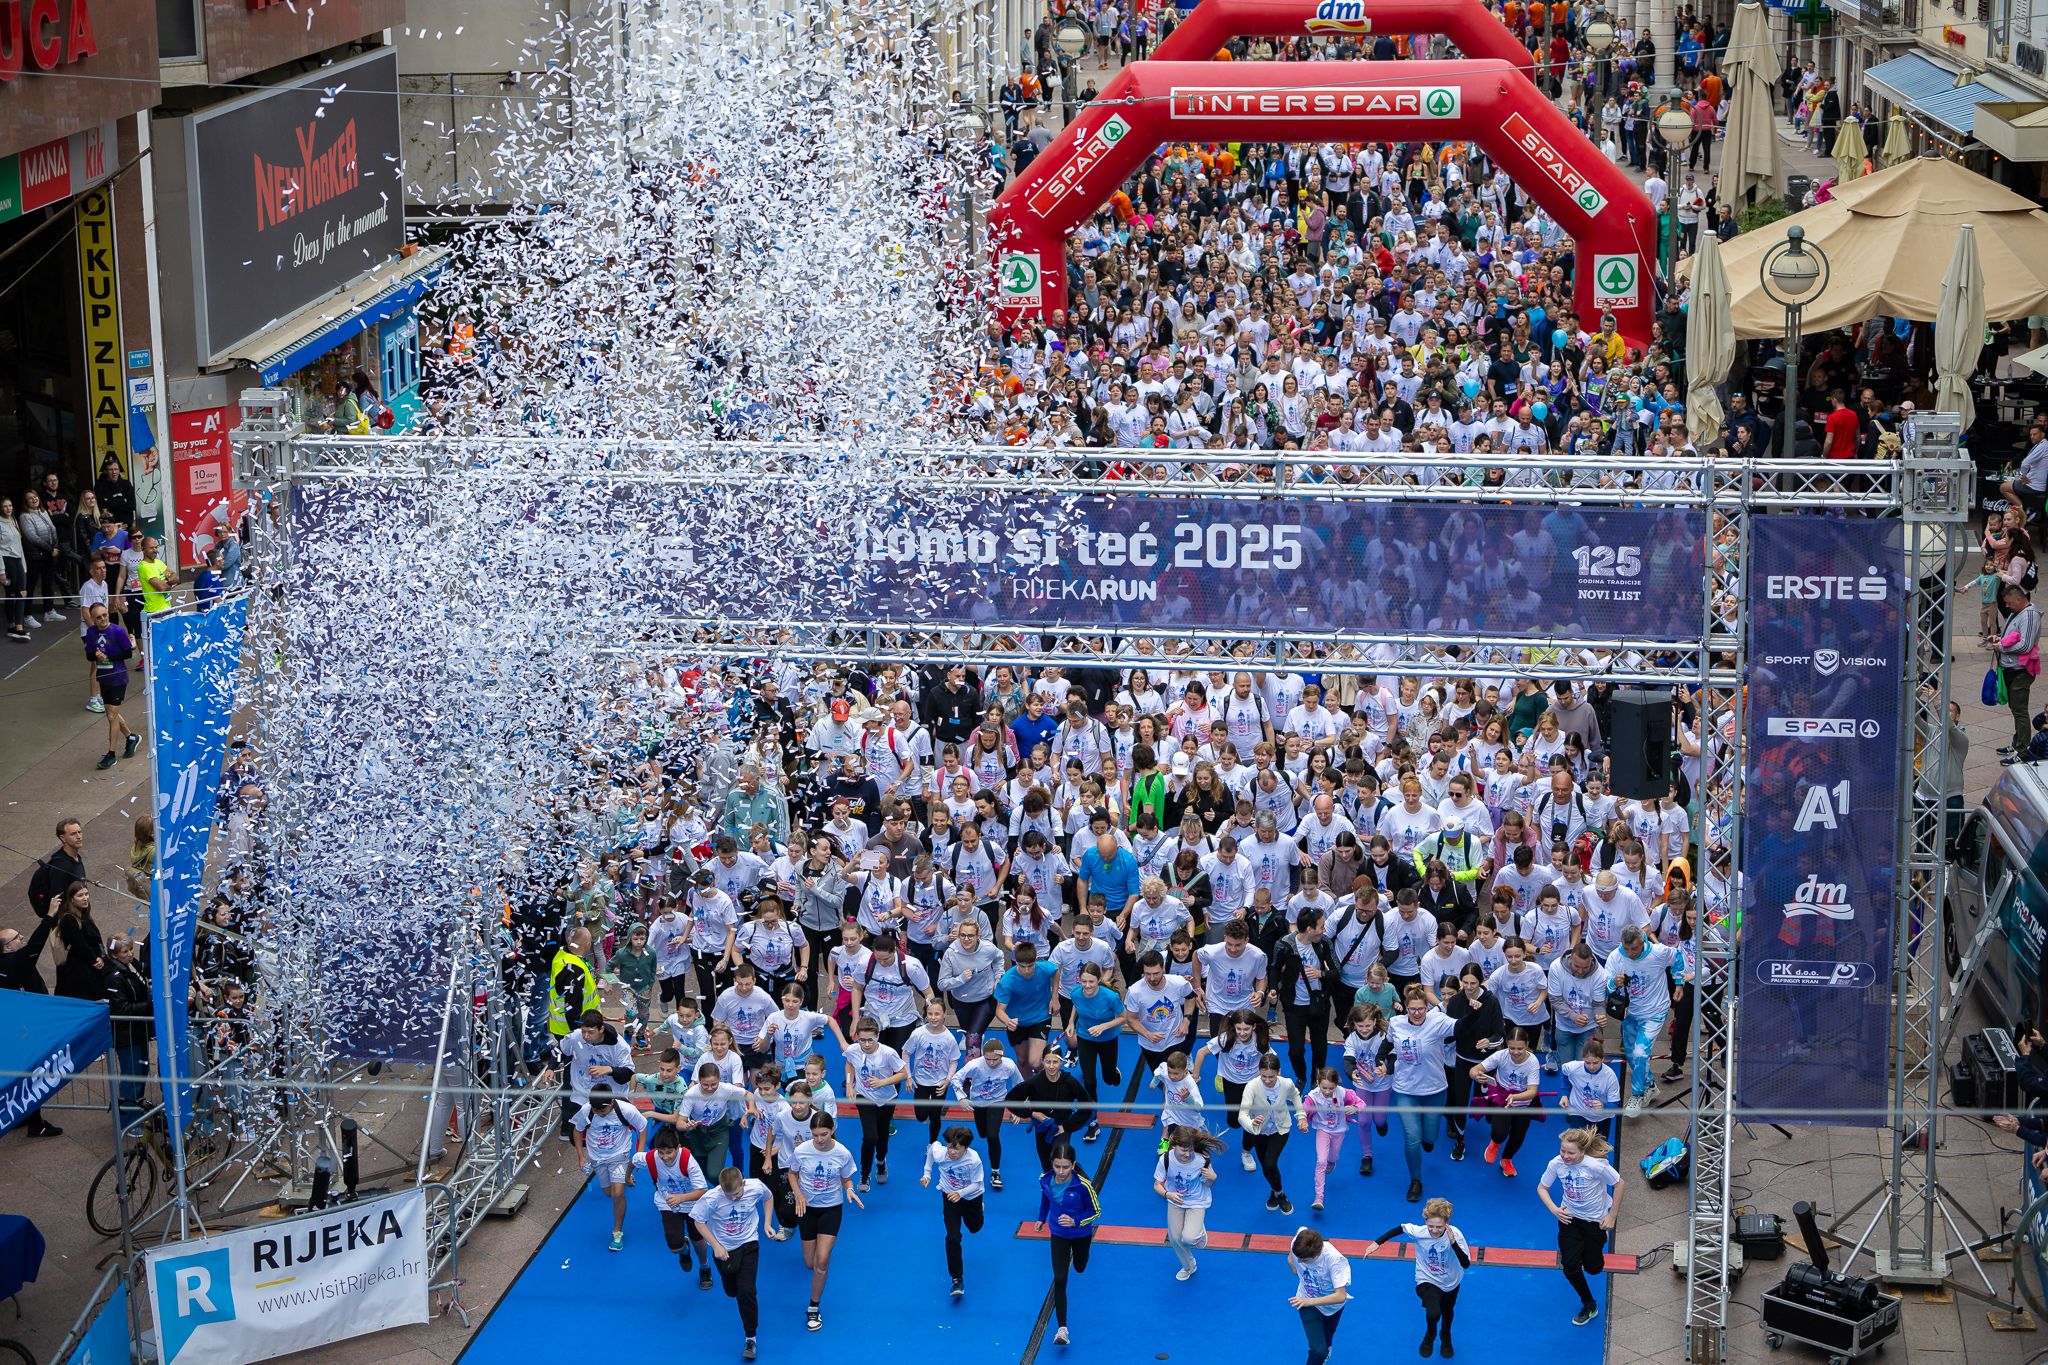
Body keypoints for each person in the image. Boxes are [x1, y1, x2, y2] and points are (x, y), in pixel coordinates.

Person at [1358, 1197, 1474, 1359]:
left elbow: (1466, 1264)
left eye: (1439, 1227)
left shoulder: (1456, 1235)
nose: (1434, 1230)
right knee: (1434, 1313)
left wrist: (1453, 1242)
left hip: (1451, 1281)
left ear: (1447, 1223)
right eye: (1430, 1226)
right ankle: (1430, 1334)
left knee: (1447, 1311)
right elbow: (1401, 1228)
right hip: (1426, 1279)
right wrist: (1377, 1242)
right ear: (1425, 1221)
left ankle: (1446, 1336)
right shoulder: (1420, 1232)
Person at [1538, 1126, 1626, 1326]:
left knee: (1594, 1268)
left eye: (1570, 1153)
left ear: (1582, 1151)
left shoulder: (1595, 1166)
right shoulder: (1556, 1163)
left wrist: (1612, 1216)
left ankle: (1592, 1255)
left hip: (1594, 1222)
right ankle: (1589, 1304)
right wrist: (1554, 1209)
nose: (1565, 1156)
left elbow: (1620, 1184)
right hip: (1569, 1219)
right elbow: (1542, 1188)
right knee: (1570, 1266)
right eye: (1563, 1150)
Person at [689, 1166, 774, 1361]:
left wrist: (767, 1223)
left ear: (743, 1183)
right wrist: (715, 1246)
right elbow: (698, 1221)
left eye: (737, 1194)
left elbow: (768, 1198)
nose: (733, 1198)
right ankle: (730, 1281)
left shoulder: (755, 1187)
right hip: (724, 1249)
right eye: (729, 1195)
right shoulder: (712, 1198)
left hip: (749, 1242)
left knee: (747, 1292)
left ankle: (750, 1338)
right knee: (731, 1291)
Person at [789, 1109, 864, 1331]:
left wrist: (849, 1190)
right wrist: (799, 1195)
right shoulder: (802, 1151)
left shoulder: (842, 1153)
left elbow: (847, 1178)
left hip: (831, 1208)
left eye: (824, 1134)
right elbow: (792, 1173)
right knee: (810, 1262)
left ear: (832, 1130)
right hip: (806, 1209)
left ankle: (813, 1307)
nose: (820, 1139)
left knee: (822, 1261)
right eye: (816, 1135)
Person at [1388, 985, 1458, 1201]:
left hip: (1434, 1089)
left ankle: (1429, 1139)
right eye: (1412, 1009)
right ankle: (1415, 1180)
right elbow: (1388, 1046)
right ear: (1405, 1008)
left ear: (1427, 1008)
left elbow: (1463, 1027)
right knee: (1412, 1138)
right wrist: (1386, 1063)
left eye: (1420, 1009)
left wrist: (1476, 1008)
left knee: (1430, 1136)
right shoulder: (1395, 1023)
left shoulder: (1438, 1022)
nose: (1416, 1013)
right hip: (1404, 1090)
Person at [1037, 1142, 1102, 1346]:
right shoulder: (1045, 1180)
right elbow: (1046, 1200)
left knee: (1080, 1267)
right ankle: (1062, 1329)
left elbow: (1096, 1211)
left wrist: (1076, 1221)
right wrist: (1041, 1218)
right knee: (1060, 1278)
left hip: (1081, 1234)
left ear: (1073, 1165)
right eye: (1057, 1166)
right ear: (1052, 1164)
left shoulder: (1083, 1185)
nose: (1062, 1171)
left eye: (1066, 1167)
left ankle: (1082, 1255)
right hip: (1058, 1234)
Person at [572, 1082, 649, 1251]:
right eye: (596, 1111)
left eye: (603, 1111)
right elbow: (577, 1131)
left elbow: (642, 1128)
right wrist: (581, 1157)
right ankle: (626, 1177)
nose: (599, 1114)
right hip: (597, 1158)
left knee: (618, 1193)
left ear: (612, 1102)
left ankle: (617, 1232)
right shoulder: (587, 1110)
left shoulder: (626, 1110)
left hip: (619, 1155)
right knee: (608, 1193)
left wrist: (639, 1153)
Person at [922, 1123, 988, 1296]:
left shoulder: (974, 1160)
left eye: (956, 1149)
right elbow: (931, 1150)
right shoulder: (941, 1152)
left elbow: (977, 1184)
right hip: (949, 1196)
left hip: (971, 1196)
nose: (952, 1152)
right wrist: (927, 1173)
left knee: (975, 1227)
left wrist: (960, 1193)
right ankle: (957, 1279)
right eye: (950, 1147)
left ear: (965, 1148)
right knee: (953, 1237)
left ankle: (979, 1211)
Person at [844, 1016, 910, 1189]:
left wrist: (883, 1082)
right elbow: (849, 1063)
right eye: (862, 1040)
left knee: (882, 1136)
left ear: (878, 1036)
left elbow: (903, 1073)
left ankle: (881, 1162)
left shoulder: (888, 1053)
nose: (866, 1044)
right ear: (857, 1037)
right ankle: (864, 1174)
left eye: (870, 1040)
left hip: (886, 1098)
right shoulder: (853, 1050)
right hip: (864, 1096)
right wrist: (850, 1084)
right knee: (870, 1136)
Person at [1238, 1050, 1308, 1213]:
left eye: (1271, 1076)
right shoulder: (1252, 1087)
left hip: (1280, 1129)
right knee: (1266, 1167)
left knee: (1270, 1163)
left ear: (1279, 1072)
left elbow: (1296, 1096)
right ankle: (1275, 1192)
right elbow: (1242, 1115)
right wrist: (1252, 1123)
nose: (1268, 1080)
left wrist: (1301, 1116)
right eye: (1264, 1076)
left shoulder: (1286, 1083)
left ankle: (1280, 1194)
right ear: (1259, 1072)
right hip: (1259, 1132)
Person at [953, 1036, 1025, 1188]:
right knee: (983, 1133)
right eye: (988, 1059)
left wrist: (1017, 1109)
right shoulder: (975, 1064)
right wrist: (961, 1098)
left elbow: (1020, 1086)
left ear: (1002, 1056)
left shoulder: (1009, 1065)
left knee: (992, 1135)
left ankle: (995, 1172)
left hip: (997, 1101)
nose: (992, 1063)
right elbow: (956, 1079)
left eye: (996, 1059)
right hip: (978, 1102)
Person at [1471, 1028, 1544, 1177]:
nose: (1516, 1052)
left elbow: (1532, 1091)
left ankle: (1506, 1159)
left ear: (1528, 1045)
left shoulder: (1533, 1062)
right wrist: (1476, 1075)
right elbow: (1475, 1069)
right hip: (1503, 1100)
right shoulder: (1500, 1055)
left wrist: (1515, 1097)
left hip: (1523, 1103)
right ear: (1506, 1045)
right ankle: (1495, 1143)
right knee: (1499, 1133)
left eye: (1520, 1048)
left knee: (1518, 1137)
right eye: (1512, 1048)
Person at [1008, 1045, 1093, 1171]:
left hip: (1062, 1128)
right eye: (1048, 1062)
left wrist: (1066, 1126)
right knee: (1047, 1166)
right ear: (1042, 1061)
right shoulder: (1034, 1082)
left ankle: (1074, 1173)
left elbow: (1087, 1106)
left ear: (1062, 1062)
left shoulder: (1069, 1082)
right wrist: (1033, 1114)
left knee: (1060, 1160)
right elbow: (1011, 1100)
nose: (1051, 1066)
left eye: (1055, 1062)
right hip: (1042, 1128)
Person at [1156, 1124, 1224, 1279]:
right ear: (1174, 1144)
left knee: (1188, 1238)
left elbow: (1206, 1184)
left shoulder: (1201, 1161)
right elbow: (1157, 1185)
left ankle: (1199, 1232)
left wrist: (1213, 1178)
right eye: (1183, 1150)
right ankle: (1189, 1266)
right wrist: (1168, 1194)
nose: (1187, 1154)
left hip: (1196, 1201)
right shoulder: (1166, 1159)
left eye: (1190, 1150)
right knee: (1175, 1239)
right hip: (1175, 1200)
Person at [645, 1124, 711, 1279]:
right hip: (668, 1204)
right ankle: (684, 1250)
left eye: (669, 1152)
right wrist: (628, 1175)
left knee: (698, 1240)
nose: (665, 1157)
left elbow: (703, 1190)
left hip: (692, 1204)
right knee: (675, 1246)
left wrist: (681, 1198)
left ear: (678, 1148)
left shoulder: (688, 1161)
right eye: (661, 1152)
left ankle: (704, 1266)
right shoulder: (652, 1157)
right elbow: (634, 1160)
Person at [82, 602, 139, 769]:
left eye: (105, 615)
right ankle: (130, 737)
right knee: (110, 712)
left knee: (112, 715)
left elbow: (128, 653)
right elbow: (88, 656)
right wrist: (95, 655)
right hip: (103, 677)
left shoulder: (117, 631)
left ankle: (111, 753)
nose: (103, 619)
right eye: (98, 617)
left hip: (118, 677)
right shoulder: (91, 632)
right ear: (93, 619)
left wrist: (108, 656)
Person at [1303, 1066, 1366, 1211]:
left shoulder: (1343, 1093)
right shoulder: (1313, 1096)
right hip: (1323, 1130)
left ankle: (1332, 1162)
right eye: (1323, 1087)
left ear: (1336, 1084)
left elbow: (1362, 1103)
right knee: (1321, 1161)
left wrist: (1355, 1108)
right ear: (1318, 1083)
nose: (1327, 1091)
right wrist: (1303, 1121)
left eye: (1331, 1088)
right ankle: (1319, 1197)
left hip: (1339, 1130)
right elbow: (1304, 1110)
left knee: (1332, 1157)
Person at [1288, 1226, 1353, 1365]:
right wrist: (1293, 1266)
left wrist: (1309, 1301)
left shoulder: (1335, 1260)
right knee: (1319, 1351)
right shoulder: (1299, 1242)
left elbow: (1341, 1296)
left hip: (1332, 1306)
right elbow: (1299, 1231)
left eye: (1304, 1260)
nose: (1299, 1262)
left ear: (1316, 1254)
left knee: (1328, 1335)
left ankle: (1327, 1347)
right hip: (1305, 1302)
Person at [28, 818, 86, 921]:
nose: (78, 837)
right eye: (73, 834)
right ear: (63, 838)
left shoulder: (75, 857)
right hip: (68, 921)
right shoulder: (61, 866)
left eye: (79, 832)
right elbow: (57, 899)